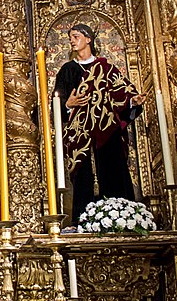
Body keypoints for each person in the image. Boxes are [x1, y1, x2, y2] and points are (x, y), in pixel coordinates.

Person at [53, 24, 146, 227]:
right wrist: (68, 105)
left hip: (107, 131)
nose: (72, 40)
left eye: (76, 36)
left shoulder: (106, 69)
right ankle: (83, 222)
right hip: (81, 134)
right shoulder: (68, 70)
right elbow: (56, 101)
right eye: (70, 37)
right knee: (83, 175)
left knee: (113, 170)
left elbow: (123, 94)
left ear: (88, 38)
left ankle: (121, 220)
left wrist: (133, 101)